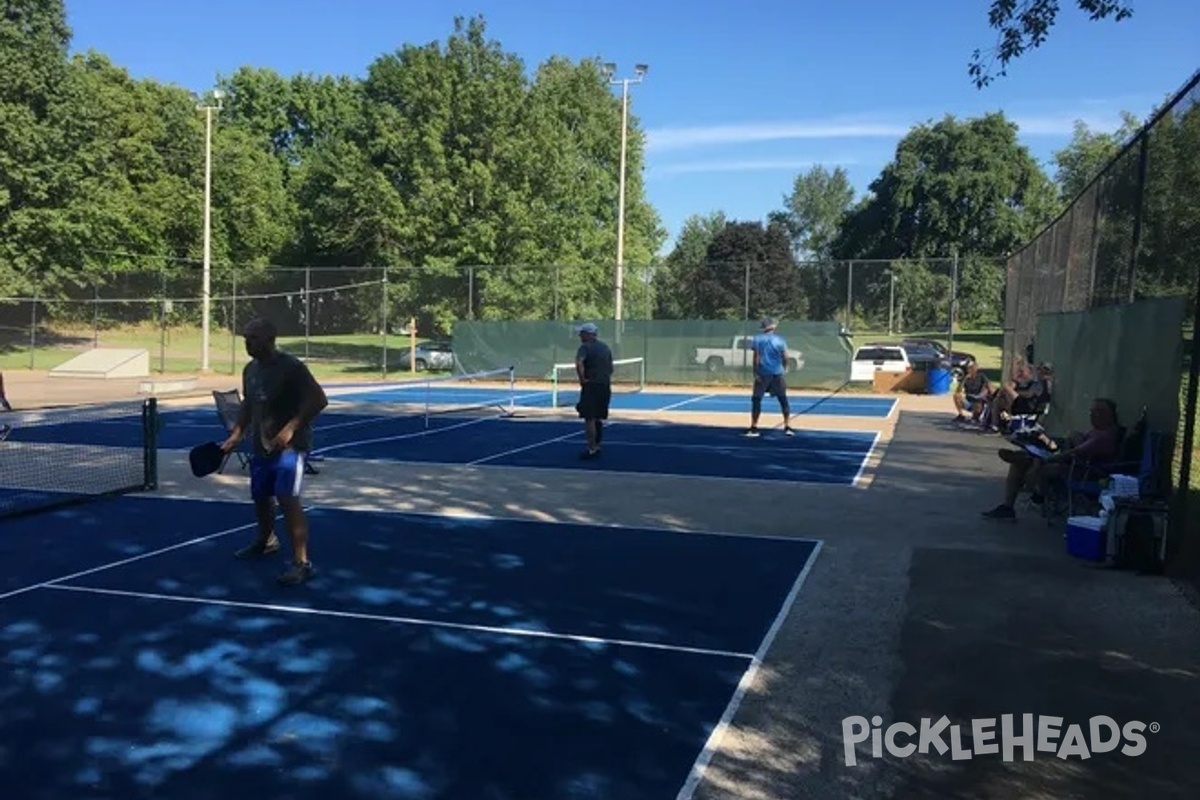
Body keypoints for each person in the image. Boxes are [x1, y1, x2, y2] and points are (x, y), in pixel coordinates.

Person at [220, 317, 328, 585]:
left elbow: (318, 399)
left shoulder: (291, 367)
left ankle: (302, 563)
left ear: (270, 339)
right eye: (245, 338)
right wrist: (236, 434)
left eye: (253, 338)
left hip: (291, 447)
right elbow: (247, 404)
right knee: (260, 496)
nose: (247, 342)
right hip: (261, 446)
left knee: (286, 497)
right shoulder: (250, 370)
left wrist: (291, 428)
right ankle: (265, 541)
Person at [981, 397, 1120, 521]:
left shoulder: (1104, 436)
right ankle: (1009, 506)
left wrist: (1050, 458)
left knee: (1038, 465)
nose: (1091, 415)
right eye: (1091, 411)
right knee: (1021, 464)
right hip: (1075, 464)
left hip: (1083, 472)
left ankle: (1037, 496)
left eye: (1095, 412)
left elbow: (1075, 452)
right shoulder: (1097, 431)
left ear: (1106, 415)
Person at [743, 317, 794, 437]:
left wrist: (755, 372)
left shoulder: (757, 339)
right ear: (773, 327)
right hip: (777, 373)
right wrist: (784, 368)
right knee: (783, 399)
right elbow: (785, 356)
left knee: (756, 399)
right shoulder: (780, 340)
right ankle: (787, 426)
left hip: (762, 373)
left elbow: (756, 358)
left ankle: (754, 427)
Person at [574, 322, 613, 459]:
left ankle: (592, 448)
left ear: (588, 334)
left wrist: (582, 380)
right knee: (598, 417)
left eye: (582, 333)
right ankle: (597, 445)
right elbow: (610, 369)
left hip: (591, 386)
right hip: (604, 386)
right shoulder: (605, 348)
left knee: (589, 418)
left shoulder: (584, 348)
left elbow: (579, 364)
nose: (580, 335)